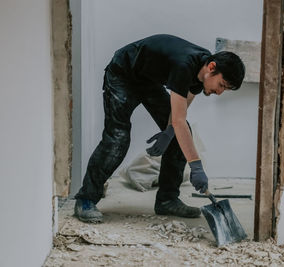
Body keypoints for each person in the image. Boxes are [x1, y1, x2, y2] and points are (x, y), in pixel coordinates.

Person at [74, 34, 245, 223]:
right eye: (221, 85)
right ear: (212, 68)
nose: (220, 92)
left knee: (180, 135)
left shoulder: (201, 71)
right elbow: (178, 120)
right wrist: (196, 166)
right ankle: (86, 199)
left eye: (225, 89)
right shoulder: (185, 65)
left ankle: (167, 200)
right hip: (122, 74)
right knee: (118, 138)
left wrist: (169, 132)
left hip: (148, 81)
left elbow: (181, 111)